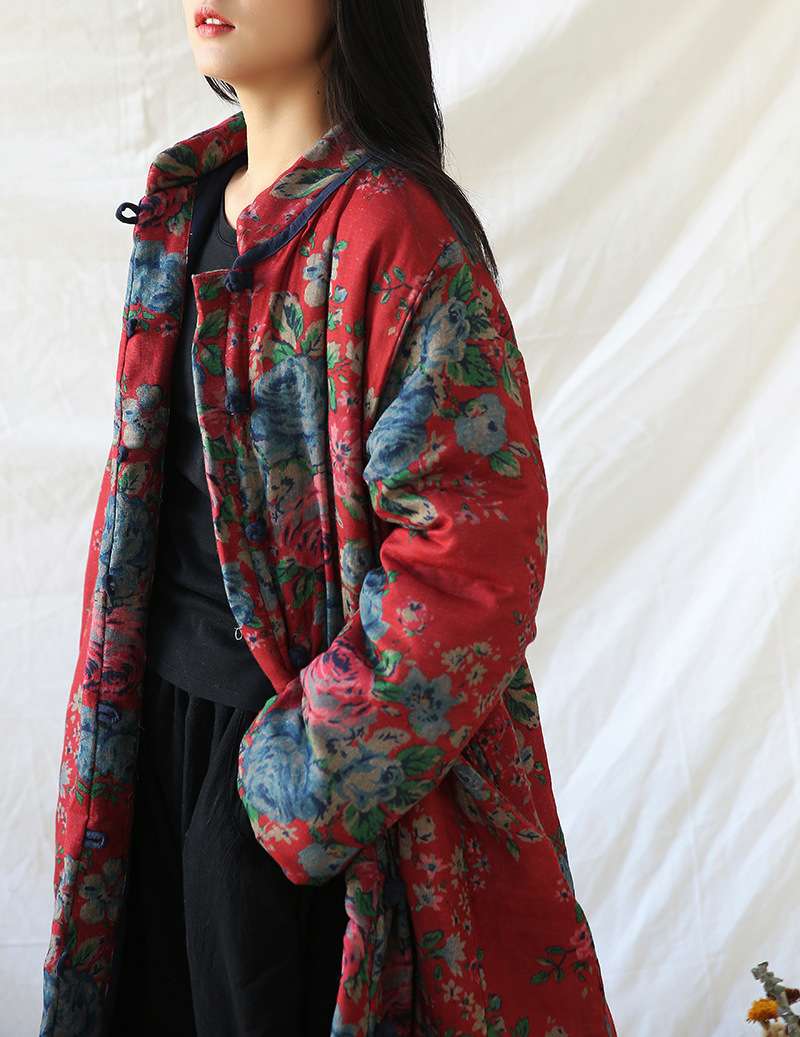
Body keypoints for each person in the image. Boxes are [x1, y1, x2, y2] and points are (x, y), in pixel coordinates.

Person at [41, 1, 617, 1035]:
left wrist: (295, 784)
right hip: (152, 744)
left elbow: (472, 559)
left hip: (302, 780)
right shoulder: (185, 206)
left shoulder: (393, 227)